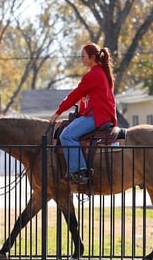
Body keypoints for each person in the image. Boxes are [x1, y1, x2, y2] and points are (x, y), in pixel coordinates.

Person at [49, 42, 117, 184]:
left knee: (66, 135)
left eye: (83, 56)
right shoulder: (102, 72)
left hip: (96, 116)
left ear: (93, 57)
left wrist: (58, 112)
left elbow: (75, 94)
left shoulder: (93, 75)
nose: (81, 59)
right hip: (103, 115)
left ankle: (79, 171)